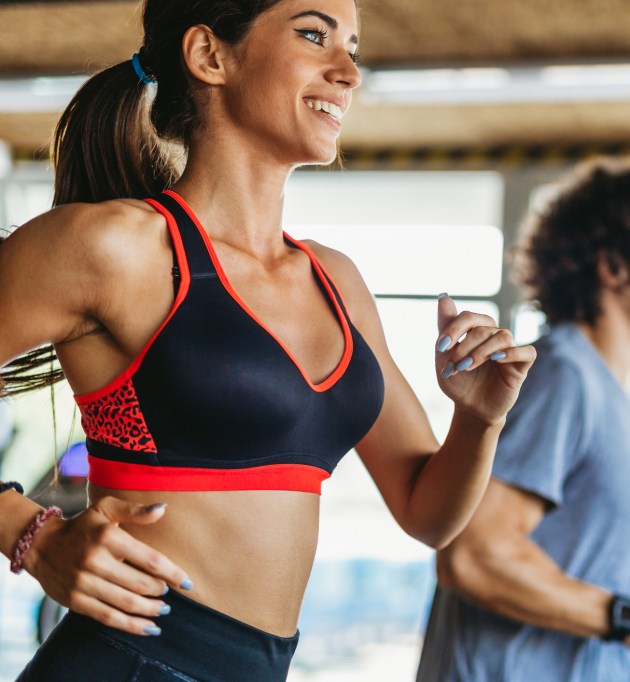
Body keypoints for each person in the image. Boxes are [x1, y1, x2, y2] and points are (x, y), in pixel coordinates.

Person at [0, 2, 535, 680]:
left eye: (354, 48)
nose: (348, 72)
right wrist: (28, 533)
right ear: (210, 56)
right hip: (127, 659)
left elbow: (425, 511)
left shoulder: (336, 281)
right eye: (314, 35)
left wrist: (479, 418)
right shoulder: (112, 247)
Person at [417, 158, 630, 682]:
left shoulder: (612, 393)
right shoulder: (564, 374)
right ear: (616, 267)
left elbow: (575, 566)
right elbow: (475, 556)